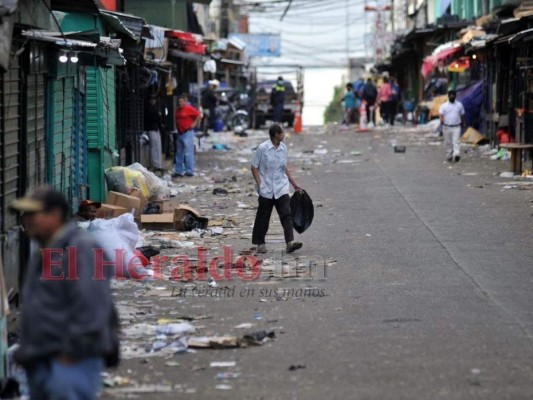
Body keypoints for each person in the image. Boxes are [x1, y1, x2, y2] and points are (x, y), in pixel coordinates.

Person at [9, 186, 119, 400]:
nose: (27, 220)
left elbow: (92, 308)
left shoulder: (80, 249)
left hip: (68, 362)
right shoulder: (47, 250)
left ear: (55, 214)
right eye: (25, 214)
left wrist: (69, 356)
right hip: (43, 359)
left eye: (33, 214)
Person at [251, 124, 303, 254]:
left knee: (286, 214)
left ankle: (290, 242)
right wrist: (260, 184)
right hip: (266, 188)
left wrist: (294, 184)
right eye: (282, 133)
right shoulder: (263, 148)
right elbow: (254, 167)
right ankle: (260, 243)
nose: (284, 135)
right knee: (263, 217)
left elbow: (284, 168)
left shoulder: (283, 148)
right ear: (276, 135)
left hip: (281, 187)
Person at [174, 94, 201, 178]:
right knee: (179, 153)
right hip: (180, 133)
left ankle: (189, 171)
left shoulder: (188, 108)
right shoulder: (178, 110)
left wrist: (194, 124)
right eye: (179, 102)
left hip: (187, 132)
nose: (180, 103)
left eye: (181, 101)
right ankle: (178, 171)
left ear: (185, 101)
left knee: (188, 153)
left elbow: (198, 115)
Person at [439, 89, 465, 162]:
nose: (452, 97)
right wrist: (441, 120)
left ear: (456, 96)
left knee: (456, 141)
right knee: (448, 142)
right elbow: (441, 114)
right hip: (446, 127)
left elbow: (462, 115)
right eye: (451, 96)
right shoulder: (444, 106)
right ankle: (449, 155)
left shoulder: (459, 105)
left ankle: (456, 154)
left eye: (453, 96)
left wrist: (464, 123)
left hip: (456, 127)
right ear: (448, 96)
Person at [143, 95, 164, 173]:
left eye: (154, 99)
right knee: (155, 148)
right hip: (151, 129)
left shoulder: (155, 108)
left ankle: (158, 164)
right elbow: (156, 117)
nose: (153, 101)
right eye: (152, 99)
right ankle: (156, 165)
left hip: (155, 129)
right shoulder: (148, 108)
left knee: (157, 147)